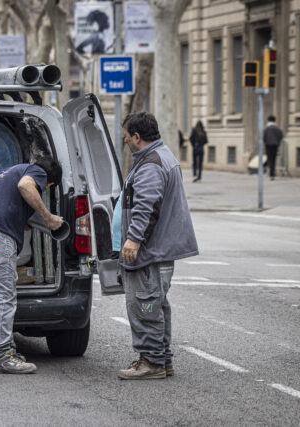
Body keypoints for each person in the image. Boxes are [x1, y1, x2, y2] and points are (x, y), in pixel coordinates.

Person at [118, 112, 198, 380]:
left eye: (127, 136)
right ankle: (162, 359)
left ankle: (151, 362)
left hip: (150, 252)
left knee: (145, 306)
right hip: (159, 250)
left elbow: (146, 206)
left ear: (137, 137)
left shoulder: (151, 164)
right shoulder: (162, 156)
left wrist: (133, 240)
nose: (125, 140)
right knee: (155, 304)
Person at [0, 158, 63, 374]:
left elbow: (9, 203)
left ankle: (4, 349)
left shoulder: (8, 172)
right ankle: (2, 356)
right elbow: (25, 186)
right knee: (4, 296)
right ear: (49, 183)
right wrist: (49, 217)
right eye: (45, 188)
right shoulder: (36, 172)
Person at [263, 115, 284, 180]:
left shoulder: (266, 128)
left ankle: (270, 172)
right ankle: (272, 173)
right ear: (274, 121)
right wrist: (277, 142)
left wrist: (265, 141)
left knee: (270, 158)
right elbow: (281, 136)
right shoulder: (278, 128)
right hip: (275, 145)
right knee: (273, 159)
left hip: (268, 145)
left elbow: (263, 136)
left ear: (268, 120)